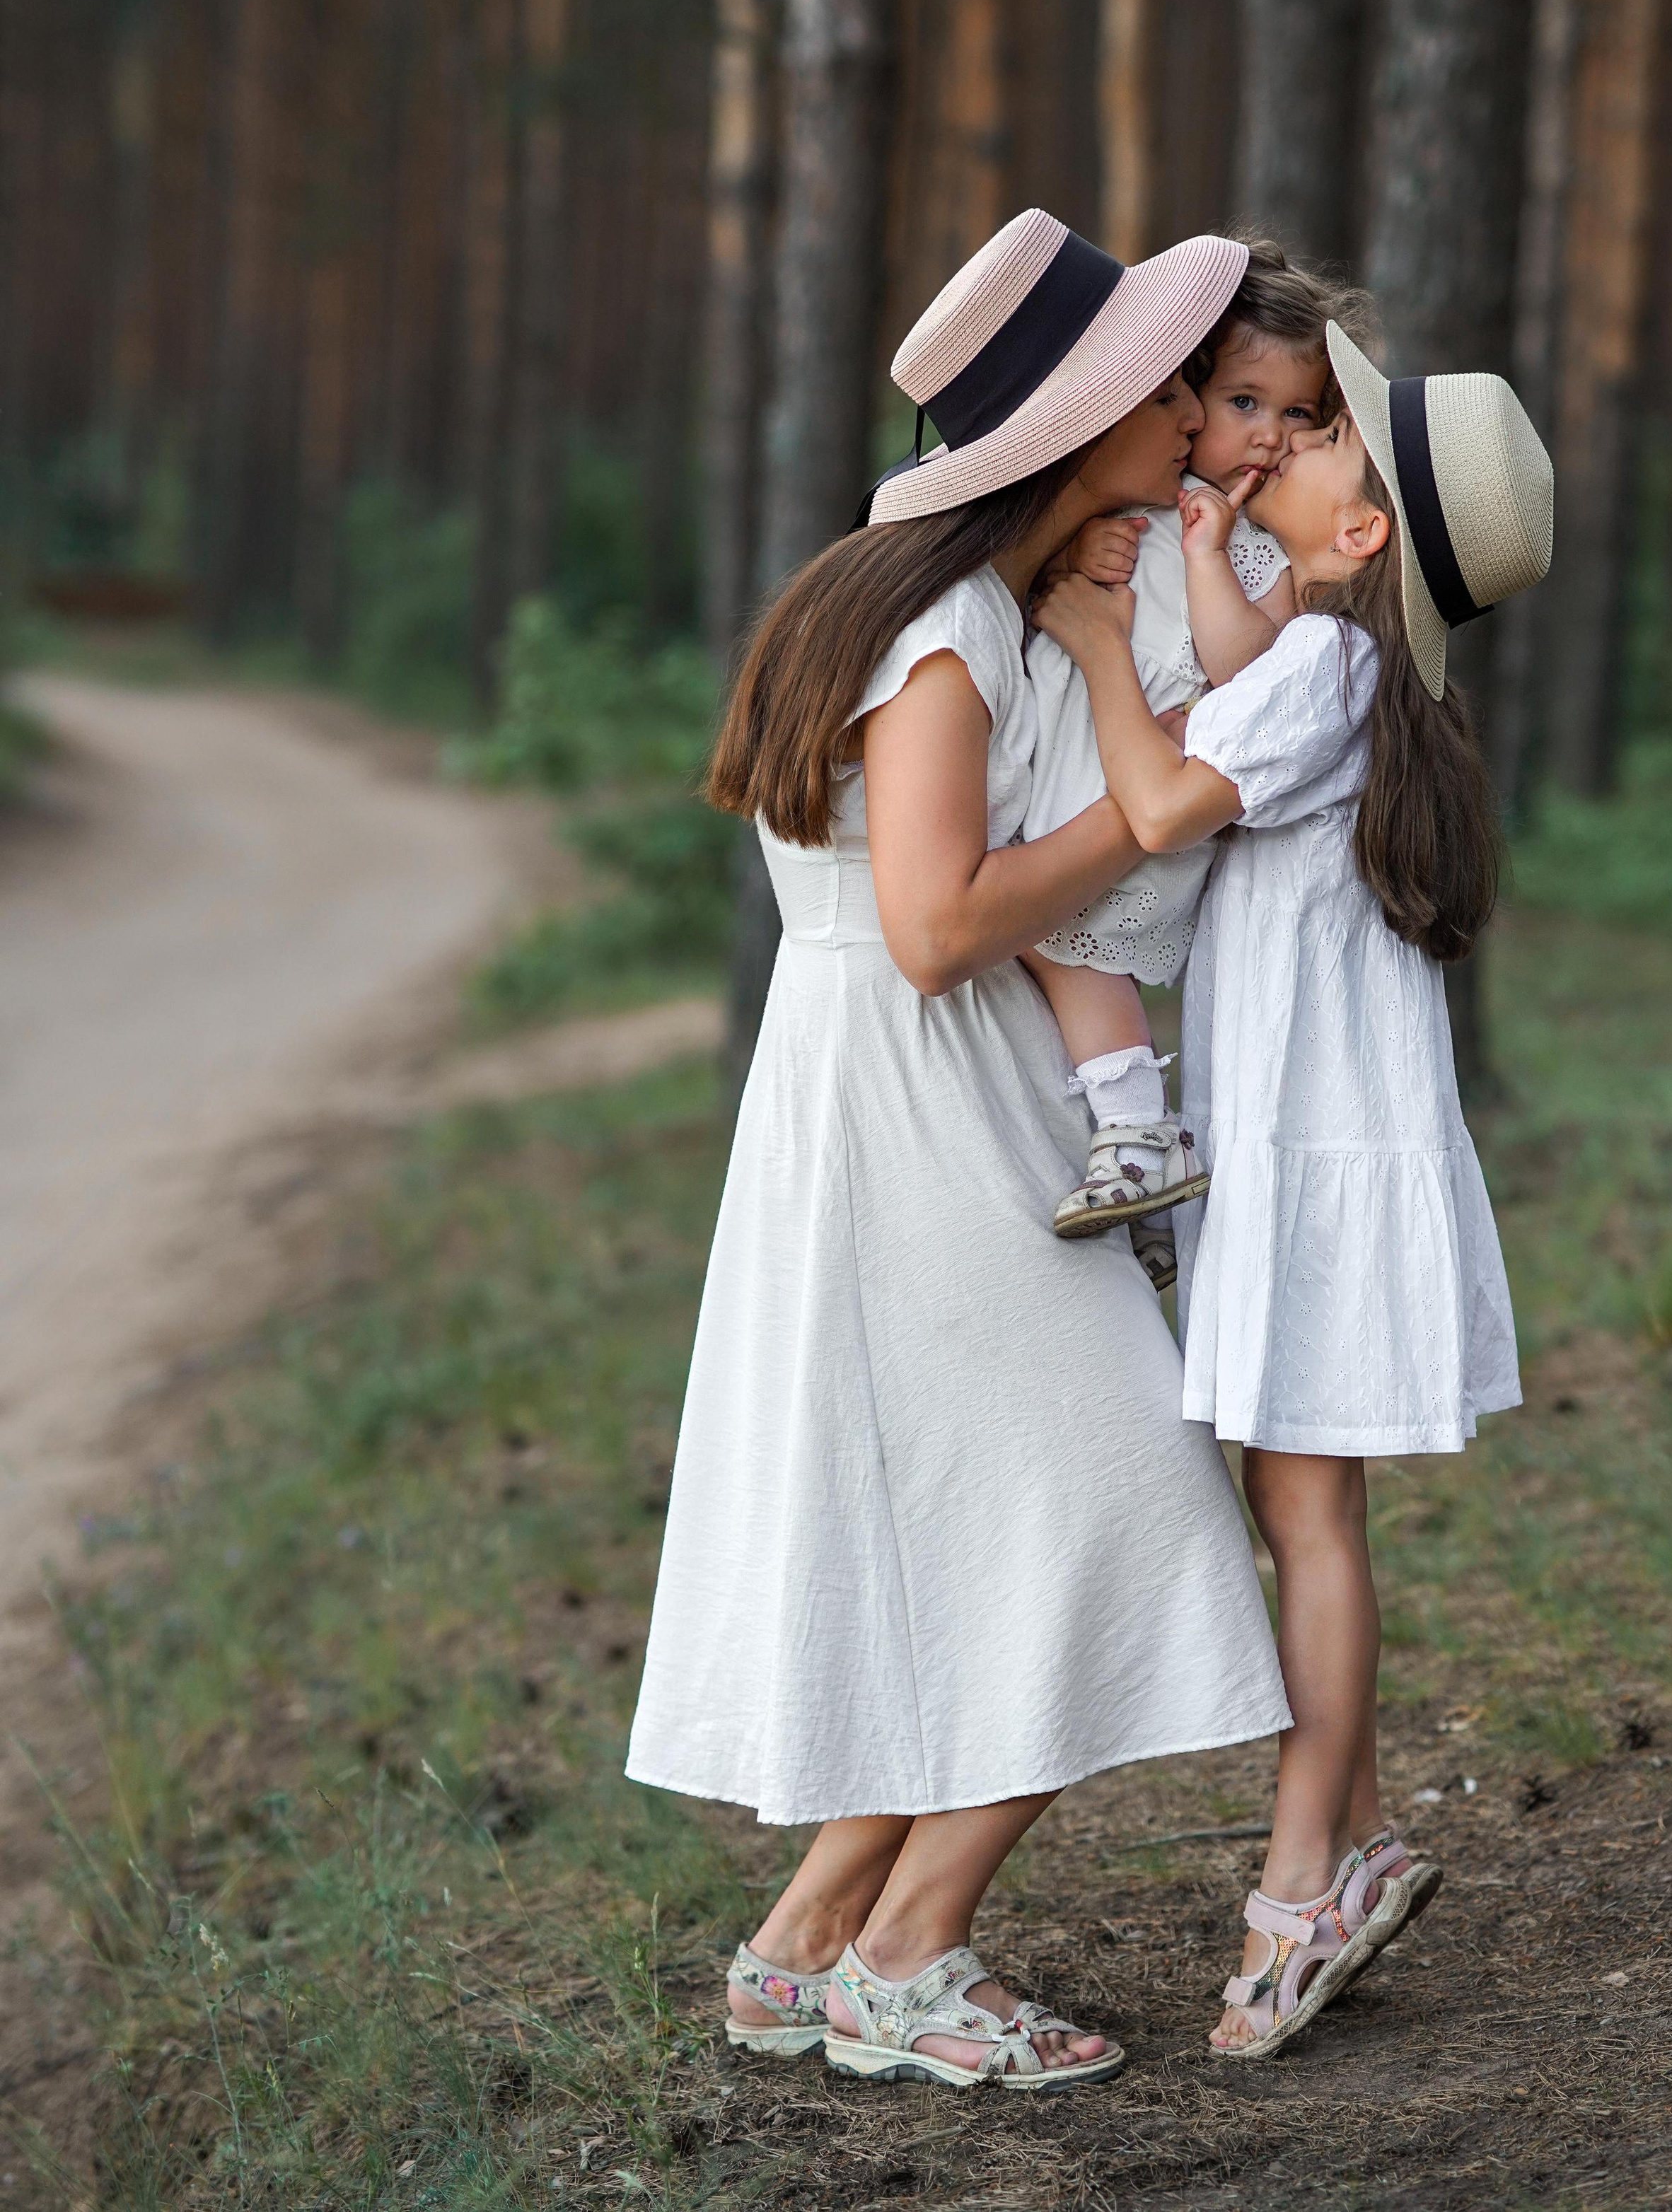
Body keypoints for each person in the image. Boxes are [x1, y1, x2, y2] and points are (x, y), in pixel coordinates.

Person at [625, 209, 1291, 2094]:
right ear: (1084, 424)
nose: (1188, 414)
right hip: (909, 1090)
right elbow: (933, 920)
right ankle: (911, 1949)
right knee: (1117, 1499)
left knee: (994, 1527)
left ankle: (807, 1940)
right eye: (1165, 387)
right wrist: (1167, 814)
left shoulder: (945, 599)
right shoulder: (939, 636)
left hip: (905, 1090)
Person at [1032, 322, 1553, 2059]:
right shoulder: (1334, 666)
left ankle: (1300, 1871)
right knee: (1299, 1518)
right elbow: (1243, 678)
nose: (1286, 442)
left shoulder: (1327, 678)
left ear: (1362, 534)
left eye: (1322, 439)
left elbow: (1172, 798)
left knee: (1307, 1526)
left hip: (1312, 1163)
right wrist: (1193, 555)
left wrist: (1102, 638)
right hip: (1300, 1148)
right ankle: (1348, 1833)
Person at [1018, 241, 1378, 1282]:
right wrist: (1086, 553)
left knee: (1067, 949)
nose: (1270, 437)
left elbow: (1244, 665)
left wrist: (1213, 551)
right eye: (1245, 401)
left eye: (1301, 416)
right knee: (1053, 954)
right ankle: (1142, 1178)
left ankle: (1140, 1130)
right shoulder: (1137, 497)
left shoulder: (1262, 549)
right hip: (1092, 784)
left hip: (1149, 796)